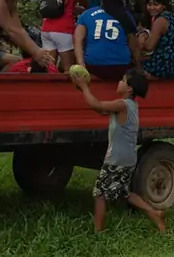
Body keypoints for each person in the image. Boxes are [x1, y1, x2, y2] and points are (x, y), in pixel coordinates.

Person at [70, 68, 165, 233]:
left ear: (129, 88)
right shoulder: (131, 105)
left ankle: (98, 232)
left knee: (99, 194)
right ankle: (154, 212)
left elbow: (96, 104)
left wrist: (84, 87)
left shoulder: (122, 105)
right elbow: (100, 109)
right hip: (127, 157)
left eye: (122, 80)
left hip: (117, 158)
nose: (119, 82)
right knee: (124, 192)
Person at [75, 0, 140, 80]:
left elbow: (77, 40)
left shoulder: (87, 14)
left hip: (94, 65)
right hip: (121, 66)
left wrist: (81, 64)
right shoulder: (126, 16)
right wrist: (139, 66)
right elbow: (133, 44)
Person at [39, 0, 89, 71]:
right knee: (68, 69)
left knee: (50, 68)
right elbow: (85, 2)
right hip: (63, 30)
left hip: (46, 29)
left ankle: (50, 89)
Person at [139, 0, 174, 79]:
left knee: (134, 64)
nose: (152, 7)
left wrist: (142, 37)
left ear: (164, 5)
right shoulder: (172, 16)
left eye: (156, 4)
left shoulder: (160, 20)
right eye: (149, 4)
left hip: (165, 65)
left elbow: (149, 46)